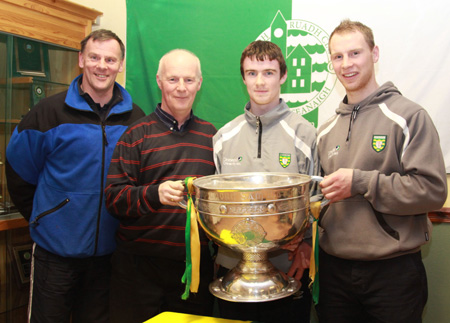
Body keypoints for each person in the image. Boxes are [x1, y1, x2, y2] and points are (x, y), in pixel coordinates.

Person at [5, 29, 145, 323]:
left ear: (120, 65)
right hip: (55, 255)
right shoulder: (48, 112)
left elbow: (138, 183)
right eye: (94, 57)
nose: (101, 66)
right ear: (81, 59)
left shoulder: (136, 119)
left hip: (109, 256)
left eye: (110, 59)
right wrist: (44, 217)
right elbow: (19, 171)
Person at [316, 19, 447, 323]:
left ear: (374, 54)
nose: (346, 64)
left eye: (355, 53)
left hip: (393, 273)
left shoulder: (409, 116)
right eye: (337, 56)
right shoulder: (325, 132)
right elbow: (319, 199)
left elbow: (432, 191)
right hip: (334, 271)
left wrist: (361, 182)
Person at [104, 49, 217, 323]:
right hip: (138, 270)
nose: (181, 88)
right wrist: (154, 194)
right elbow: (113, 199)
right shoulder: (135, 135)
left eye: (189, 80)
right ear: (159, 80)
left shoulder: (213, 137)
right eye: (173, 79)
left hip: (194, 269)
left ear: (199, 83)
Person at [213, 40, 319, 323]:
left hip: (289, 267)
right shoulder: (223, 137)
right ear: (243, 77)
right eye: (251, 73)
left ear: (283, 75)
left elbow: (318, 200)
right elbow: (218, 208)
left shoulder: (305, 133)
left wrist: (306, 246)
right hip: (233, 268)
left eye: (269, 73)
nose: (260, 82)